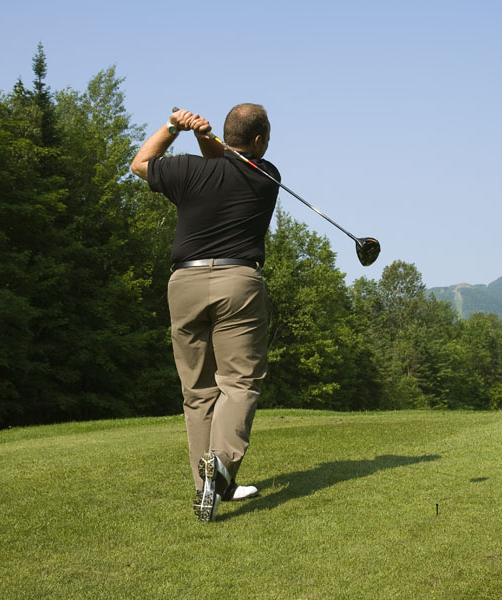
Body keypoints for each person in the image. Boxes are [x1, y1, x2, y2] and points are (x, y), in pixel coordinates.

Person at [130, 104, 280, 522]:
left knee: (197, 392)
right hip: (237, 282)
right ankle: (223, 465)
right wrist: (201, 137)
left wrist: (174, 127)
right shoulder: (266, 175)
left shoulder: (187, 170)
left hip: (185, 284)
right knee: (240, 382)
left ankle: (208, 490)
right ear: (258, 140)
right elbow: (227, 166)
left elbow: (140, 163)